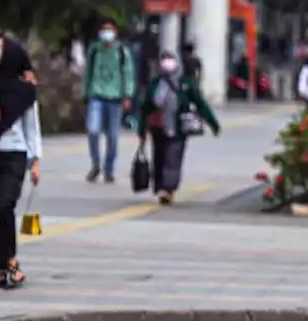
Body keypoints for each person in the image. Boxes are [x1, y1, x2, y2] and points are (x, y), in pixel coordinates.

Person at [0, 33, 42, 289]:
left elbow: (32, 128)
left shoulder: (25, 91)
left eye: (0, 48)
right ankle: (0, 267)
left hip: (14, 154)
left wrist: (35, 161)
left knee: (5, 206)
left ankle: (12, 262)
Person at [137, 51, 220, 205]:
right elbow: (145, 108)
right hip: (158, 128)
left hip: (178, 128)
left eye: (170, 60)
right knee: (159, 158)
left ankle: (168, 189)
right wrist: (141, 130)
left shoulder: (186, 83)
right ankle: (161, 186)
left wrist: (213, 123)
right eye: (164, 60)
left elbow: (201, 103)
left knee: (173, 158)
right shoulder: (156, 83)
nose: (167, 63)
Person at [83, 20, 135, 183]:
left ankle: (109, 169)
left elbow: (128, 74)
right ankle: (96, 164)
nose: (106, 33)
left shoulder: (121, 51)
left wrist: (127, 95)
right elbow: (88, 73)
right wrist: (85, 92)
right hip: (96, 95)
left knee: (112, 136)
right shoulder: (95, 50)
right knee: (92, 130)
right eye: (103, 30)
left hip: (115, 98)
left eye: (109, 30)